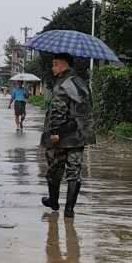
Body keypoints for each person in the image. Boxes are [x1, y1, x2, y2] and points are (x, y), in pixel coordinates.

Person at [40, 54, 95, 218]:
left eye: (55, 64)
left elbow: (58, 109)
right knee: (74, 172)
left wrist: (55, 132)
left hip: (62, 136)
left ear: (63, 65)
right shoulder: (81, 83)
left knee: (54, 170)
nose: (52, 68)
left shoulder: (63, 84)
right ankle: (69, 209)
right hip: (79, 135)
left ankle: (54, 201)